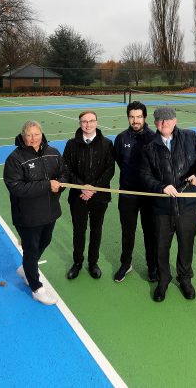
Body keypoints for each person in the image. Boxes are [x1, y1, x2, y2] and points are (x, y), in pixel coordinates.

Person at [140, 106, 196, 302]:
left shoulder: (190, 137)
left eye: (167, 120)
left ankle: (185, 279)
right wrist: (160, 187)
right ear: (155, 123)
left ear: (175, 121)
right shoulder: (149, 147)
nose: (163, 123)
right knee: (161, 247)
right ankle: (163, 280)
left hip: (188, 207)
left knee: (186, 245)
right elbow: (144, 175)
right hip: (161, 209)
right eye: (159, 120)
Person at [3, 120, 68, 305]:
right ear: (23, 136)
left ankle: (26, 269)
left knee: (45, 241)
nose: (33, 138)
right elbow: (17, 188)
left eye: (37, 134)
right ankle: (36, 288)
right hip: (27, 216)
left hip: (50, 211)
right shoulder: (15, 159)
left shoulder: (53, 152)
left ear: (42, 134)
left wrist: (60, 184)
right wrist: (47, 185)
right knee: (31, 251)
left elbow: (64, 173)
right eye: (29, 135)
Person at [62, 110, 115, 280]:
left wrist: (93, 188)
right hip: (78, 196)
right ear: (79, 123)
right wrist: (81, 187)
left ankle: (93, 263)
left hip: (99, 197)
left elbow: (110, 169)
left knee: (96, 230)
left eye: (91, 121)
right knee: (79, 230)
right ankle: (77, 263)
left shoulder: (107, 144)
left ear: (97, 123)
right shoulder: (71, 144)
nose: (88, 124)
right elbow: (66, 169)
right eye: (84, 121)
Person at [112, 100, 159, 283]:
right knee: (127, 231)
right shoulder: (121, 138)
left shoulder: (154, 138)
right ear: (128, 118)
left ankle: (152, 266)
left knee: (150, 232)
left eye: (139, 116)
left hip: (149, 195)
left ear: (145, 117)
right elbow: (119, 161)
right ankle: (126, 264)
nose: (135, 120)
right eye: (132, 117)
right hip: (127, 194)